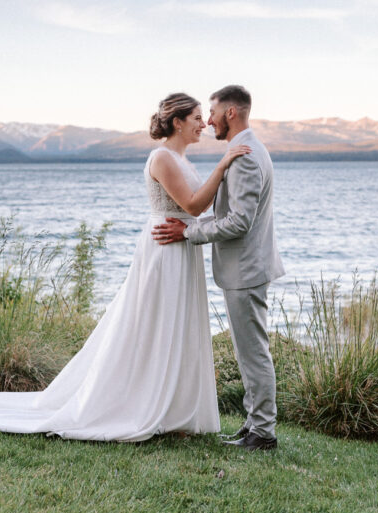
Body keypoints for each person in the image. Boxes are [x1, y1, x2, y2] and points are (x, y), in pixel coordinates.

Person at [0, 93, 250, 442]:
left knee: (177, 325)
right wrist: (223, 167)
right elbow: (192, 206)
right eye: (195, 117)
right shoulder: (162, 158)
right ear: (177, 122)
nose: (203, 123)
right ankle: (146, 406)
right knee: (156, 326)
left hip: (182, 245)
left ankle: (176, 411)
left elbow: (195, 209)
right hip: (165, 251)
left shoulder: (182, 159)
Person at [152, 85, 285, 451]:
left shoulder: (243, 156)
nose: (208, 121)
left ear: (230, 113)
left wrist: (190, 232)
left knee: (253, 352)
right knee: (249, 351)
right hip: (247, 267)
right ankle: (254, 423)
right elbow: (230, 214)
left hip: (246, 269)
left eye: (211, 113)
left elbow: (239, 222)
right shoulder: (248, 149)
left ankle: (263, 433)